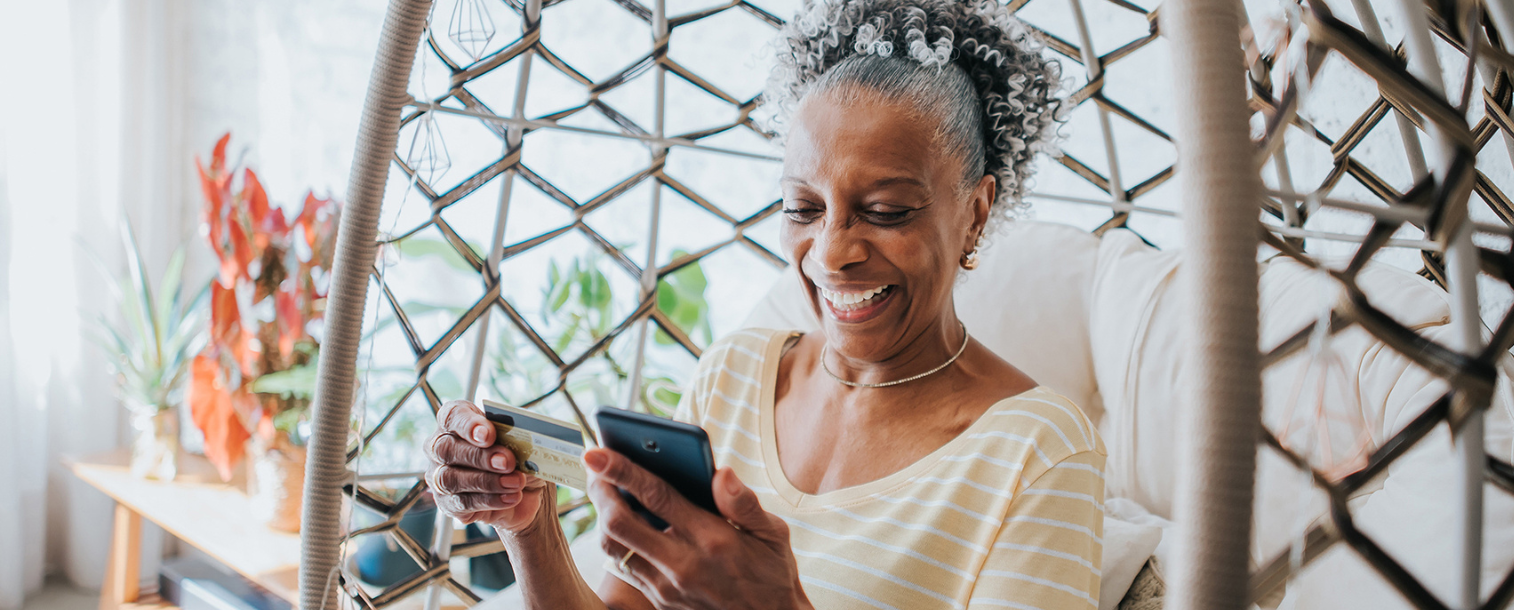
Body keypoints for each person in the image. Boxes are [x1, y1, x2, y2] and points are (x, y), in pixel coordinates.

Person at [423, 0, 1103, 607]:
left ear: (975, 213)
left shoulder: (1037, 452)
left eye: (887, 211)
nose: (831, 253)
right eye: (802, 207)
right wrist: (529, 527)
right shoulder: (736, 376)